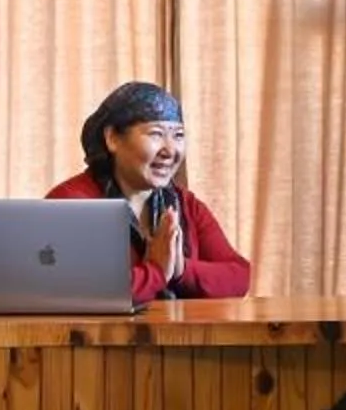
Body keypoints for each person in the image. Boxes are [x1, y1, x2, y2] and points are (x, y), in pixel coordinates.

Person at [45, 81, 252, 303]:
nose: (170, 150)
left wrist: (181, 270)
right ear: (112, 138)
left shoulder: (185, 203)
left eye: (178, 135)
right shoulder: (71, 203)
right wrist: (156, 271)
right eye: (156, 134)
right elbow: (76, 289)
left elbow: (238, 276)